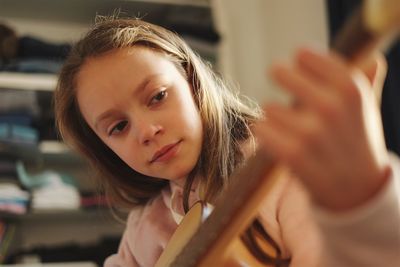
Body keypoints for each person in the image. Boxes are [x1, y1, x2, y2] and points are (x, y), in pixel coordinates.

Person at [54, 17, 400, 267]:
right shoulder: (143, 228)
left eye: (158, 96)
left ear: (192, 82)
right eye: (118, 127)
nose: (146, 130)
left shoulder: (282, 169)